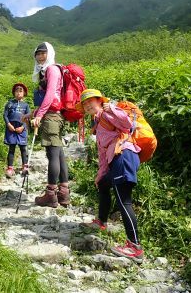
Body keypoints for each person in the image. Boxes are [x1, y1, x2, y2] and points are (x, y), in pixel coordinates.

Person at [77, 88, 144, 262]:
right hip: (115, 159)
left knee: (123, 200)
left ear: (100, 101)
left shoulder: (108, 113)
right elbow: (102, 154)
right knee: (103, 184)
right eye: (84, 104)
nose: (87, 105)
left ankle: (134, 247)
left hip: (124, 156)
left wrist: (111, 107)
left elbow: (128, 124)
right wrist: (100, 175)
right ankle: (101, 222)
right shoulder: (98, 123)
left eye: (90, 101)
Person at [23, 42, 70, 208]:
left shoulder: (52, 69)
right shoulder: (47, 71)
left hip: (51, 117)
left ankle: (50, 194)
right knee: (59, 154)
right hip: (53, 115)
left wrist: (40, 115)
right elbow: (49, 99)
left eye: (43, 53)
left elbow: (50, 95)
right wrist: (32, 114)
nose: (40, 56)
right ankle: (63, 193)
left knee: (52, 154)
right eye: (38, 54)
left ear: (50, 53)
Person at [3, 83, 31, 178]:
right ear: (14, 93)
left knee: (23, 148)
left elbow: (28, 117)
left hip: (21, 129)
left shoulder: (26, 105)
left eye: (21, 91)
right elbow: (5, 115)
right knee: (11, 148)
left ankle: (25, 167)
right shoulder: (10, 103)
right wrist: (8, 124)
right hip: (11, 128)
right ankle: (10, 168)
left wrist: (23, 127)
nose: (18, 93)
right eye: (16, 91)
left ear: (24, 93)